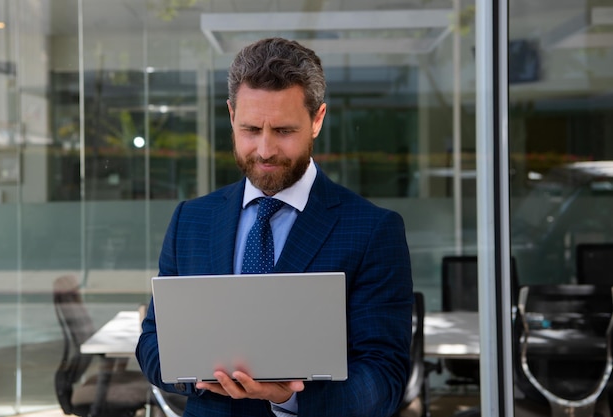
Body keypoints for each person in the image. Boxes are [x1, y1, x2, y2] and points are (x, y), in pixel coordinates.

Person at [137, 37, 413, 417]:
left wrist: (287, 396)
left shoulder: (372, 230)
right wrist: (197, 375)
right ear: (231, 115)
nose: (265, 150)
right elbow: (152, 342)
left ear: (317, 120)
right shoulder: (191, 220)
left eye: (283, 131)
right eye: (251, 129)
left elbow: (384, 380)